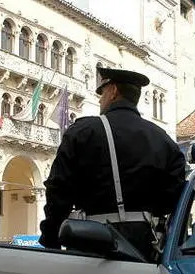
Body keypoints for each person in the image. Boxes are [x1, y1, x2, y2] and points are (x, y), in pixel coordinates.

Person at [39, 67, 186, 261]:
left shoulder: (83, 132)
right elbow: (174, 197)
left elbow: (58, 190)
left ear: (113, 91)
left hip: (89, 247)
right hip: (145, 248)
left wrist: (51, 238)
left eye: (102, 92)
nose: (100, 99)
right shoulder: (164, 140)